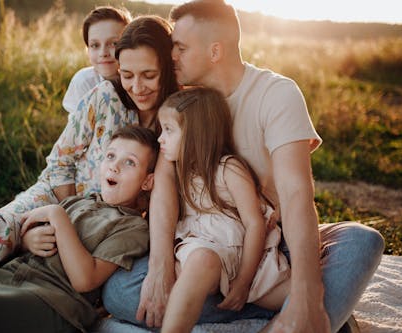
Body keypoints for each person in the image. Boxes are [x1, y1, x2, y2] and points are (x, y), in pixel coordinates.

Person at [102, 1, 385, 332]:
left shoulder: (275, 94)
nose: (172, 56)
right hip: (207, 248)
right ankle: (298, 313)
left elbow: (296, 193)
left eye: (180, 47)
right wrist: (161, 266)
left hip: (269, 243)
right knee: (118, 291)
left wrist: (306, 287)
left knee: (362, 241)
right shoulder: (187, 101)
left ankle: (300, 307)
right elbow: (164, 180)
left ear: (215, 51)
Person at [0, 15, 178, 272]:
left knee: (4, 257)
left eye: (148, 75)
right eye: (127, 75)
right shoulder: (106, 97)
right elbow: (60, 162)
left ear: (166, 68)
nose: (137, 86)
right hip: (60, 199)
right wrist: (65, 217)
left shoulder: (175, 119)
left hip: (110, 225)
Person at [0, 126, 158, 333]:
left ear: (147, 181)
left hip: (49, 300)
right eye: (110, 156)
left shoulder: (132, 227)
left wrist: (57, 215)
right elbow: (35, 229)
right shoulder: (82, 201)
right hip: (4, 274)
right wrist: (29, 239)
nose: (114, 167)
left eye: (129, 162)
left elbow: (85, 280)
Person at [155, 87, 291, 333]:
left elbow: (254, 224)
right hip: (204, 253)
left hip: (249, 259)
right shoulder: (179, 171)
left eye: (168, 130)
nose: (160, 139)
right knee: (201, 262)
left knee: (301, 295)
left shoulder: (229, 168)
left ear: (195, 135)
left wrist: (243, 281)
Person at [62, 6, 131, 114]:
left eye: (114, 44)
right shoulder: (84, 81)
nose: (103, 53)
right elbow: (78, 126)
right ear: (87, 49)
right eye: (95, 45)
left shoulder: (137, 81)